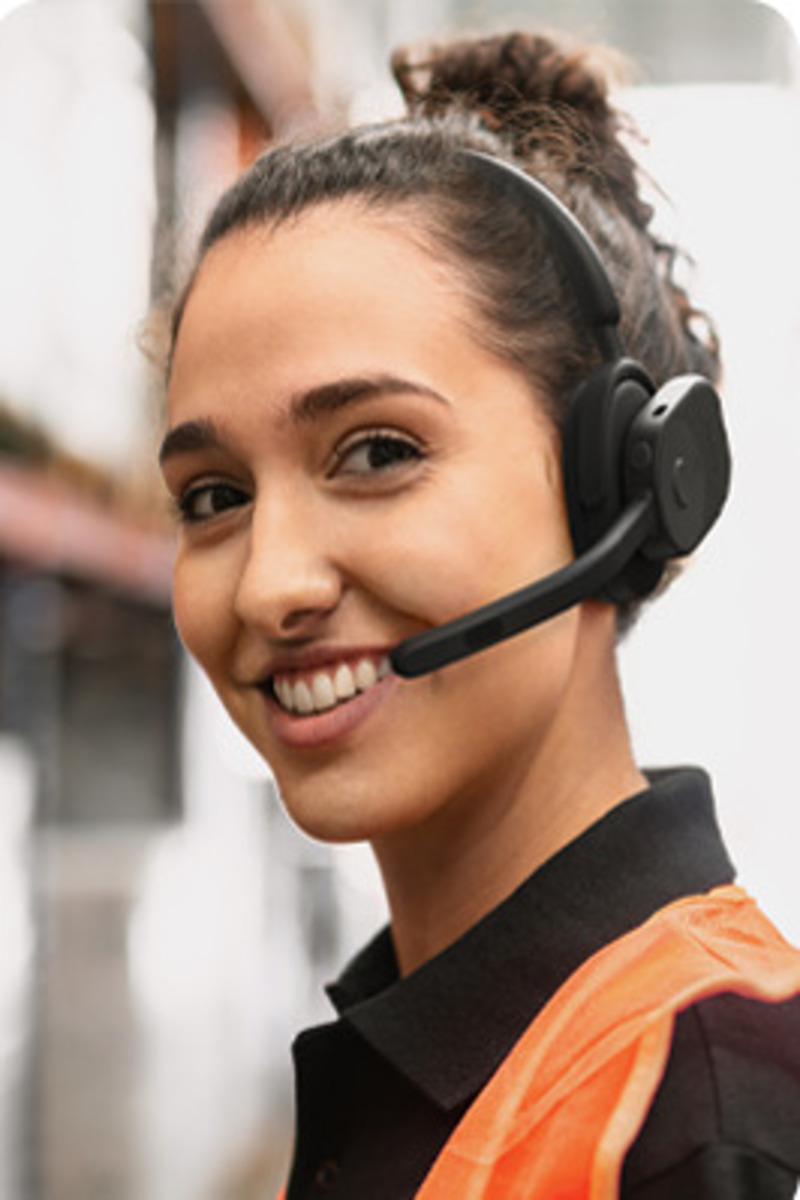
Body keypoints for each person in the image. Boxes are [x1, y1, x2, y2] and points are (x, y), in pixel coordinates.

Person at [159, 28, 800, 1199]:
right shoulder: (438, 1054)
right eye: (213, 497)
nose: (268, 584)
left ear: (616, 486)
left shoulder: (706, 1113)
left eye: (376, 451)